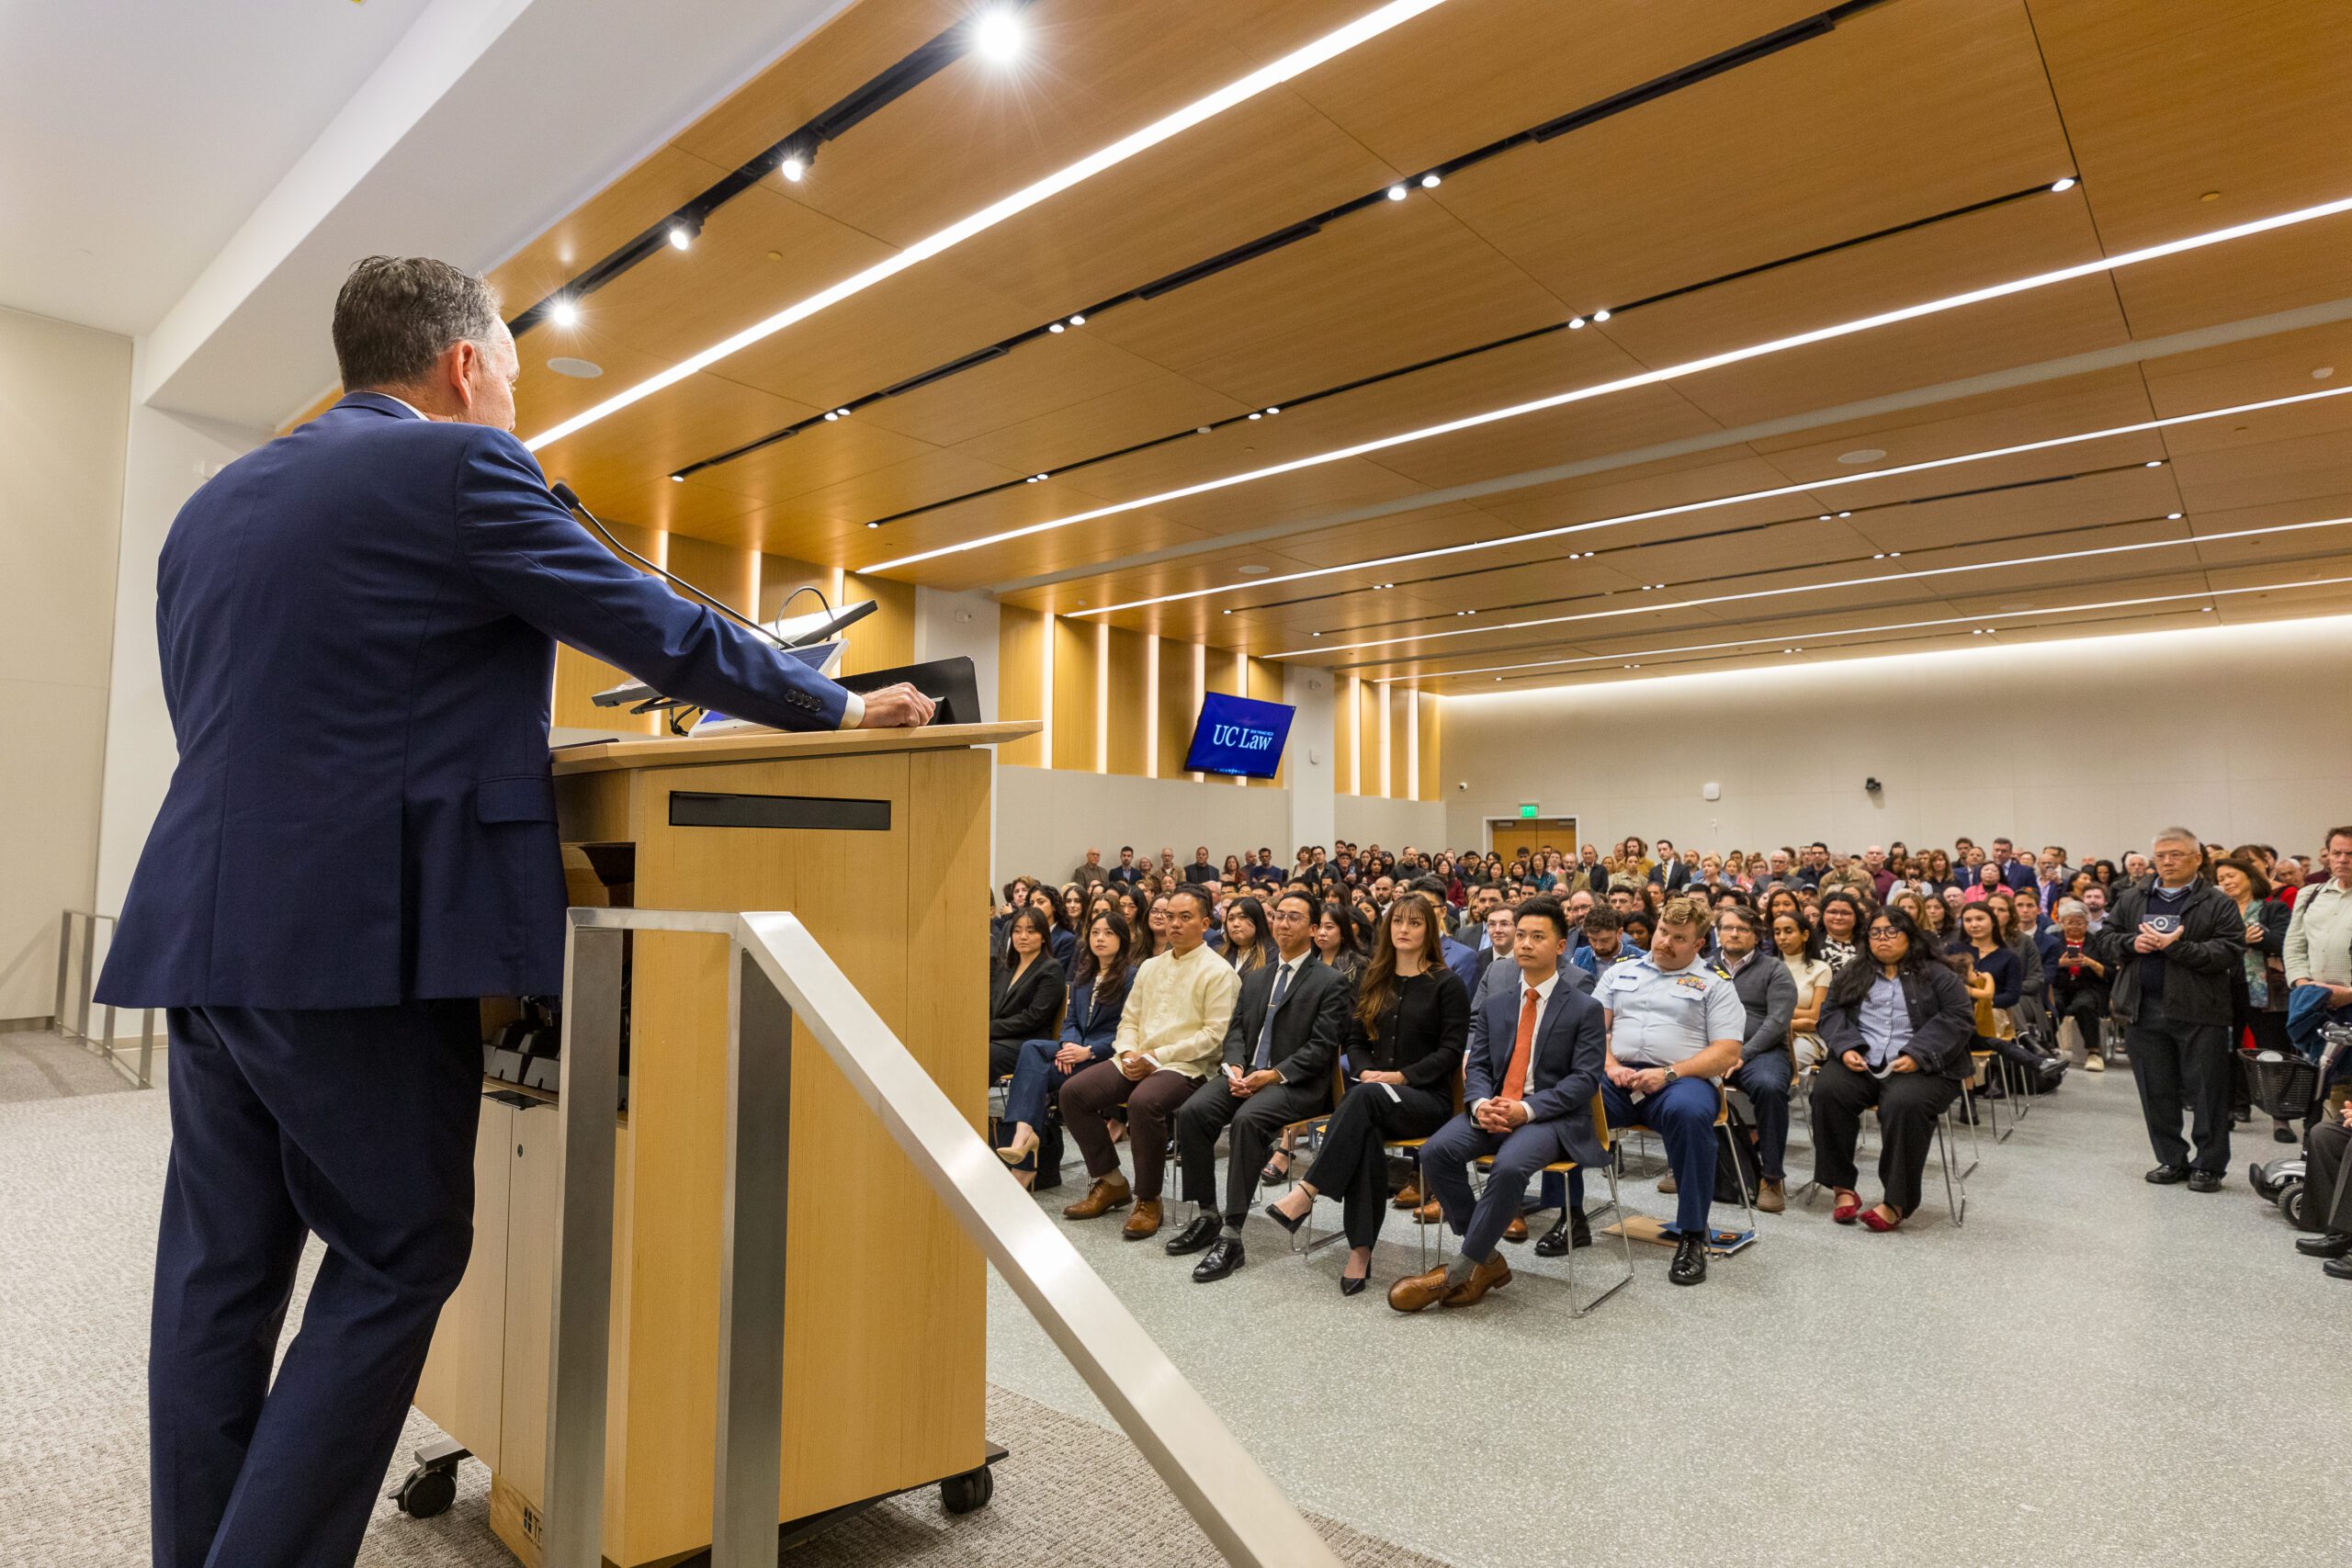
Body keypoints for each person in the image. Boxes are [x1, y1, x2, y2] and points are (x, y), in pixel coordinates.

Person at [93, 256, 939, 1568]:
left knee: (219, 1276)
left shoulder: (213, 507)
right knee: (400, 1246)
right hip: (355, 937)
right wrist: (832, 702)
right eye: (514, 380)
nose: (511, 406)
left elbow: (260, 715)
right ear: (467, 366)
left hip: (205, 925)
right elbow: (647, 620)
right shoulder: (457, 469)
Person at [1388, 900, 1608, 1313]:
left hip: (1550, 1118)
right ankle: (1487, 1261)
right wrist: (1479, 1103)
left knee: (1508, 1167)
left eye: (1537, 937)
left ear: (1561, 945)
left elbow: (1583, 1081)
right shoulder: (1498, 1001)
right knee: (1435, 1151)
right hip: (1494, 1107)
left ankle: (1458, 1271)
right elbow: (1481, 1065)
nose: (1524, 944)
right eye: (1521, 935)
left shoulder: (1584, 1007)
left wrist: (1526, 1110)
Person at [1263, 896, 1469, 1295]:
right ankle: (1360, 1252)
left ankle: (1307, 1191)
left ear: (1429, 930)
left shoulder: (1447, 983)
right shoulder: (1375, 978)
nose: (1403, 930)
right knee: (1366, 1135)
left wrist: (1400, 1077)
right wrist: (1365, 1071)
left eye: (1414, 923)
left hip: (1426, 1101)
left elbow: (1449, 1052)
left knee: (1363, 1101)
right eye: (1397, 923)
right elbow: (1354, 1041)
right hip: (1375, 1097)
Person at [1165, 890, 1351, 1280]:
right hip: (1246, 1074)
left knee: (1248, 1122)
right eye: (1279, 916)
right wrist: (1234, 1063)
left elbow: (1321, 1047)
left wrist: (1273, 1074)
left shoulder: (1330, 982)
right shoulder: (1255, 977)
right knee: (1192, 1112)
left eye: (1294, 918)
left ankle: (1232, 1236)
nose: (1283, 924)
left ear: (1314, 929)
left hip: (1295, 1082)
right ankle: (1208, 1214)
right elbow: (1235, 1029)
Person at [1058, 886, 1241, 1239]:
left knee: (1144, 1103)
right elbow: (1128, 1020)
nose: (1174, 923)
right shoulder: (1149, 967)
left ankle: (1148, 1199)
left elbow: (1214, 1037)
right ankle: (1111, 1182)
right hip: (1137, 1056)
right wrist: (1128, 1052)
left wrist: (1156, 1056)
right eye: (1169, 916)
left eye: (1184, 917)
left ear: (1205, 923)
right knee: (1073, 1093)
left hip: (1187, 1066)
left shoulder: (1219, 972)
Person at [1586, 898, 1748, 1284]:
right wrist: (1609, 1066)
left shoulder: (1715, 983)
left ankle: (1692, 1234)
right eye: (1662, 932)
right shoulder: (1619, 973)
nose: (1664, 943)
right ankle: (1570, 1215)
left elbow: (1726, 1051)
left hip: (1682, 1081)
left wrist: (1669, 1073)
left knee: (1691, 1117)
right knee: (1568, 1102)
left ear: (1698, 944)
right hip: (1618, 1077)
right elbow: (1590, 1029)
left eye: (1679, 938)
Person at [2088, 828, 2246, 1191]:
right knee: (2155, 1089)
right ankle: (2171, 1158)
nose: (2167, 861)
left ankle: (2209, 1165)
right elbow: (2107, 938)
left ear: (2197, 858)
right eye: (2160, 855)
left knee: (2207, 1091)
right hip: (2143, 1008)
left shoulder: (2216, 901)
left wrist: (2177, 948)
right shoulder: (2134, 896)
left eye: (2176, 854)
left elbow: (2228, 951)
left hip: (2199, 1010)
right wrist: (2134, 943)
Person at [1808, 908, 1977, 1230]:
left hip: (1923, 1067)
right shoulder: (1854, 971)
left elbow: (1958, 1018)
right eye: (1875, 932)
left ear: (1909, 936)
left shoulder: (1937, 973)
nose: (1882, 939)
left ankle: (1896, 1201)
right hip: (1863, 1060)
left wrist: (1918, 1053)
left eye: (1891, 932)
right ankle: (1842, 1189)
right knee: (1828, 1091)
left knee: (1903, 1104)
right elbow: (1829, 1013)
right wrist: (1846, 1047)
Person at [997, 910, 1136, 1186]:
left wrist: (1089, 1051)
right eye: (1095, 932)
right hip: (1076, 1052)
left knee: (1034, 1070)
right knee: (1033, 1049)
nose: (1100, 939)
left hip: (1106, 1060)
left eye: (1108, 933)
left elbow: (1130, 1029)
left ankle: (1023, 1155)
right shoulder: (1084, 976)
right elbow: (1071, 1021)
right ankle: (1024, 1133)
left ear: (1122, 939)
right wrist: (1069, 1044)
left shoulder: (1132, 977)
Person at [1717, 907, 1797, 1213]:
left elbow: (1777, 1022)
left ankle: (1772, 1176)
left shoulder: (1774, 969)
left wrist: (1742, 1054)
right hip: (1713, 1050)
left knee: (1769, 1087)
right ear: (1718, 932)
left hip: (1760, 1052)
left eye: (1742, 929)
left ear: (1756, 935)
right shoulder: (1705, 967)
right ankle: (1685, 1164)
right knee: (1682, 1084)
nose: (1734, 934)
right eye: (1727, 927)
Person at [2215, 856, 2294, 1140]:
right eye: (2221, 878)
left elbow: (2285, 943)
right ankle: (2230, 1110)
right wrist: (2241, 938)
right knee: (2225, 1053)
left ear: (2249, 877)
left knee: (2273, 1052)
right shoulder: (2217, 910)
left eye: (2231, 875)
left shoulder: (2273, 908)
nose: (2226, 881)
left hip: (2266, 992)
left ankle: (2280, 1118)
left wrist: (2258, 937)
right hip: (2223, 991)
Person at [2283, 826, 2352, 1055]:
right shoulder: (2309, 894)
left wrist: (2348, 994)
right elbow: (2294, 947)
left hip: (2349, 1000)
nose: (2342, 860)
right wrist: (2305, 986)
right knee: (2321, 1082)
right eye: (2336, 853)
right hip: (2316, 1005)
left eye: (2350, 854)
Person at [989, 908, 1067, 1078]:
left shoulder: (1051, 969)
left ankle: (969, 1104)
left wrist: (990, 1029)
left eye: (1031, 931)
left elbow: (1033, 1017)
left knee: (984, 1054)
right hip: (999, 1037)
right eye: (1017, 931)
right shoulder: (1006, 967)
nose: (1023, 936)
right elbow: (991, 1005)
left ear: (1044, 937)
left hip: (1027, 1042)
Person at [2047, 900, 2110, 1072]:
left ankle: (2094, 1053)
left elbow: (2109, 972)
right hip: (2059, 986)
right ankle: (2047, 1047)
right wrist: (2060, 963)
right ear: (2061, 922)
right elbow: (2041, 969)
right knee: (2054, 1004)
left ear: (2087, 923)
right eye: (2070, 922)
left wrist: (2091, 963)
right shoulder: (2052, 941)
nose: (2074, 926)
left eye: (2079, 922)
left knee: (2084, 1005)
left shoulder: (2098, 941)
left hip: (2090, 986)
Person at [1773, 911, 1832, 1070]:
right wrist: (1797, 1022)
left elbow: (1815, 1016)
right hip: (1770, 1034)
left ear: (1805, 935)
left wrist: (1779, 1017)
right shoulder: (1767, 966)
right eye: (1777, 932)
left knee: (1782, 1067)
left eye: (1788, 931)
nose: (1782, 937)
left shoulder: (1820, 969)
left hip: (1808, 1038)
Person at [1218, 894, 1273, 976]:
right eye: (1231, 919)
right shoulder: (1220, 953)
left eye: (1242, 917)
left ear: (1257, 921)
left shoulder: (1273, 956)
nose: (1235, 924)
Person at [1818, 891, 1864, 970]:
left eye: (1846, 913)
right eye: (1832, 912)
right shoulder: (1810, 943)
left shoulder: (1869, 943)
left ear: (1856, 916)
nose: (1838, 917)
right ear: (1823, 915)